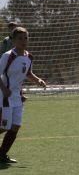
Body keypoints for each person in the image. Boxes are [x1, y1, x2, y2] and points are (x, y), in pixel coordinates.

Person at [0, 27, 47, 164]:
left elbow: (28, 73)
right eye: (20, 38)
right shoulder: (7, 56)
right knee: (4, 126)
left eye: (26, 38)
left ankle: (2, 155)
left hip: (17, 97)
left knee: (15, 126)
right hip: (5, 96)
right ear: (13, 40)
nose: (23, 41)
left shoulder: (29, 57)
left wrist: (38, 80)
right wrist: (4, 89)